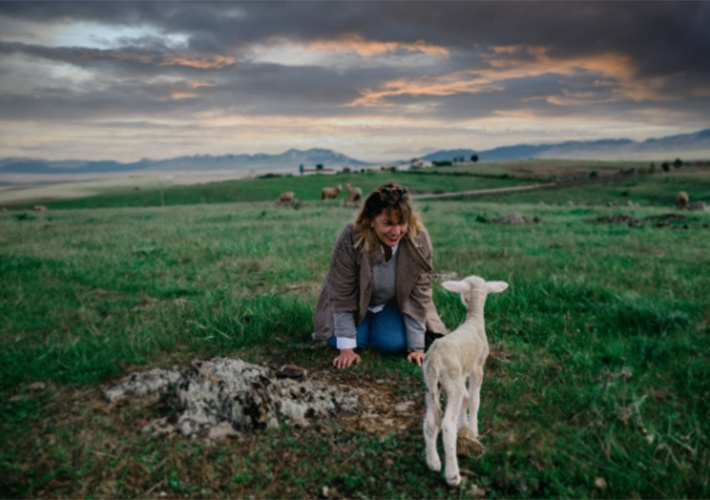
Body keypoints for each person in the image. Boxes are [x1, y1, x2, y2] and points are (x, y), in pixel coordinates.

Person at [312, 182, 446, 369]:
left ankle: (375, 328)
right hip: (351, 303)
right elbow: (342, 294)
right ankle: (361, 330)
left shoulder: (419, 240)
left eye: (402, 223)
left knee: (393, 344)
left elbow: (419, 295)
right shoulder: (350, 238)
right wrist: (347, 350)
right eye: (388, 223)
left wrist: (416, 347)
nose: (396, 231)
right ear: (371, 220)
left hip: (391, 303)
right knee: (347, 341)